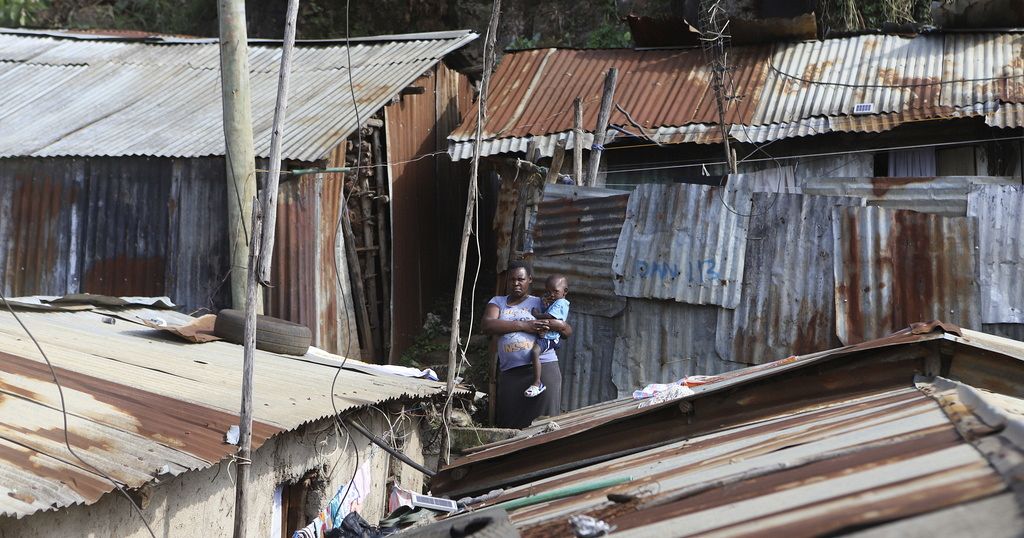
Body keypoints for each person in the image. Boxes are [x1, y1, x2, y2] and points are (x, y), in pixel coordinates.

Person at [481, 261, 572, 428]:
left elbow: (566, 330)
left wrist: (556, 325)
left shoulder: (541, 302)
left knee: (545, 425)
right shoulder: (498, 302)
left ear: (530, 280)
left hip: (544, 369)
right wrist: (525, 325)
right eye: (512, 279)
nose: (516, 283)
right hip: (511, 373)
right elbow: (487, 325)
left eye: (520, 279)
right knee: (510, 424)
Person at [525, 274, 570, 398]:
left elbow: (550, 317)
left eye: (555, 291)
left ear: (565, 292)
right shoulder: (555, 301)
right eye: (548, 292)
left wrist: (537, 314)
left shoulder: (561, 303)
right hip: (546, 335)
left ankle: (537, 382)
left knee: (534, 352)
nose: (552, 295)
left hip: (550, 339)